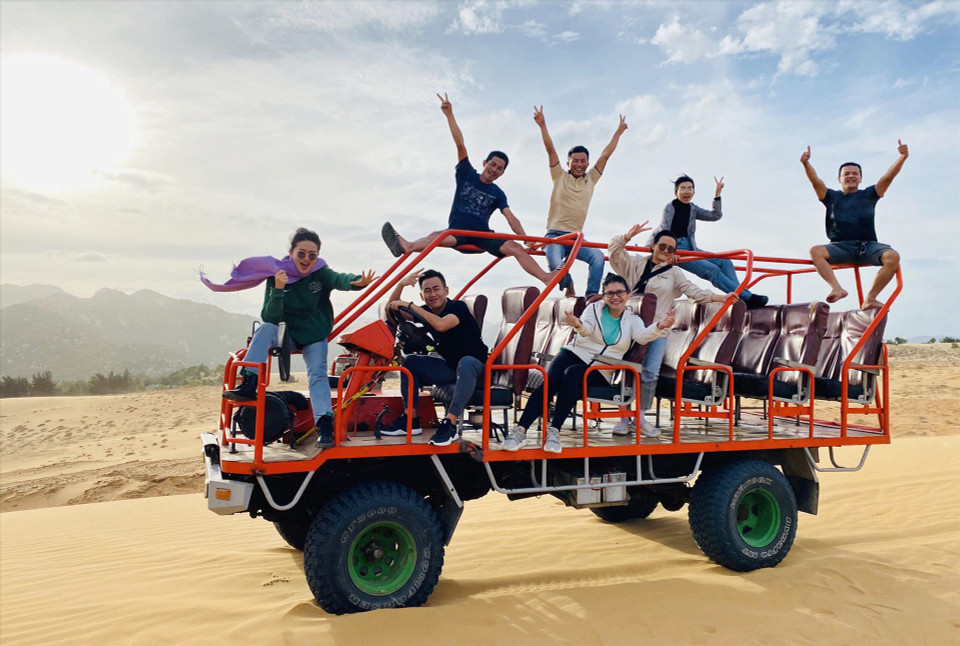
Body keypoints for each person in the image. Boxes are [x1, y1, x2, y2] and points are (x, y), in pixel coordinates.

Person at [218, 228, 376, 448]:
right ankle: (249, 383)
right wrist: (279, 289)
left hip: (313, 334)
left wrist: (357, 282)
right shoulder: (279, 274)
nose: (306, 259)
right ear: (291, 252)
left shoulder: (320, 272)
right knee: (264, 329)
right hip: (286, 334)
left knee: (318, 375)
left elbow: (339, 279)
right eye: (301, 253)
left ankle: (324, 426)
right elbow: (270, 316)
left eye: (312, 255)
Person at [381, 93, 557, 286]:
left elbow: (510, 217)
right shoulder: (467, 174)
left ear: (502, 173)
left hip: (482, 236)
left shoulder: (498, 193)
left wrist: (526, 239)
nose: (494, 169)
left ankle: (545, 277)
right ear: (485, 163)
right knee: (437, 236)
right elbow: (460, 144)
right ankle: (408, 245)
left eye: (499, 168)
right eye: (493, 164)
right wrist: (449, 114)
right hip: (458, 232)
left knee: (514, 247)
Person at [501, 274, 675, 453]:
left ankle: (554, 431)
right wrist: (577, 325)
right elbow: (587, 329)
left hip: (602, 368)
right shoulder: (593, 309)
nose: (615, 297)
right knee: (551, 381)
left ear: (628, 294)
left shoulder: (632, 319)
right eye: (610, 293)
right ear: (604, 296)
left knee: (573, 374)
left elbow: (642, 336)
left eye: (620, 292)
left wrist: (660, 326)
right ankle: (519, 431)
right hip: (575, 352)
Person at [609, 225, 736, 436]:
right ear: (653, 246)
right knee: (627, 369)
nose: (666, 252)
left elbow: (692, 291)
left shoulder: (674, 273)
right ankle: (624, 417)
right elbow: (613, 251)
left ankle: (640, 417)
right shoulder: (635, 264)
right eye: (662, 247)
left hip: (658, 330)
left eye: (671, 249)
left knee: (650, 371)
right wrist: (626, 237)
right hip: (629, 327)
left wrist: (719, 297)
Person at [384, 269, 489, 447]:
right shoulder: (426, 311)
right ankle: (411, 420)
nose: (433, 294)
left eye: (436, 289)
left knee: (467, 361)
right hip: (451, 368)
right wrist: (401, 285)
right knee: (410, 362)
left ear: (446, 290)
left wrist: (410, 306)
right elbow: (390, 309)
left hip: (476, 370)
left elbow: (441, 325)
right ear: (421, 295)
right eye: (427, 291)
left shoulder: (458, 308)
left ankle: (450, 423)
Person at [532, 105, 628, 298]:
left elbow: (606, 155)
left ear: (587, 163)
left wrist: (618, 132)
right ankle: (568, 285)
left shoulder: (591, 179)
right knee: (555, 265)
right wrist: (542, 125)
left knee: (598, 257)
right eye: (575, 161)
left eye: (583, 161)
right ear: (568, 163)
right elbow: (550, 150)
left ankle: (591, 295)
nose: (579, 164)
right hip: (555, 236)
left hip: (576, 238)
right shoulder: (559, 176)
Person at [801, 141, 907, 310]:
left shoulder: (869, 195)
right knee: (815, 251)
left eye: (855, 174)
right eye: (847, 173)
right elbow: (815, 181)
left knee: (892, 257)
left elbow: (888, 177)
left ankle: (870, 298)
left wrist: (902, 157)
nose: (851, 176)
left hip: (867, 246)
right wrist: (806, 163)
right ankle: (837, 288)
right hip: (840, 247)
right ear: (839, 178)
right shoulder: (831, 197)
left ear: (860, 178)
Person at [649, 175, 769, 310]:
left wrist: (717, 195)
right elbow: (664, 231)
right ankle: (746, 297)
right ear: (676, 192)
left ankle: (741, 296)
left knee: (725, 262)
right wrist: (671, 252)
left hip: (691, 247)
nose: (686, 191)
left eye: (690, 188)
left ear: (693, 192)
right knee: (712, 270)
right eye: (683, 188)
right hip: (674, 249)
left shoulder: (692, 209)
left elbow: (715, 216)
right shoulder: (670, 208)